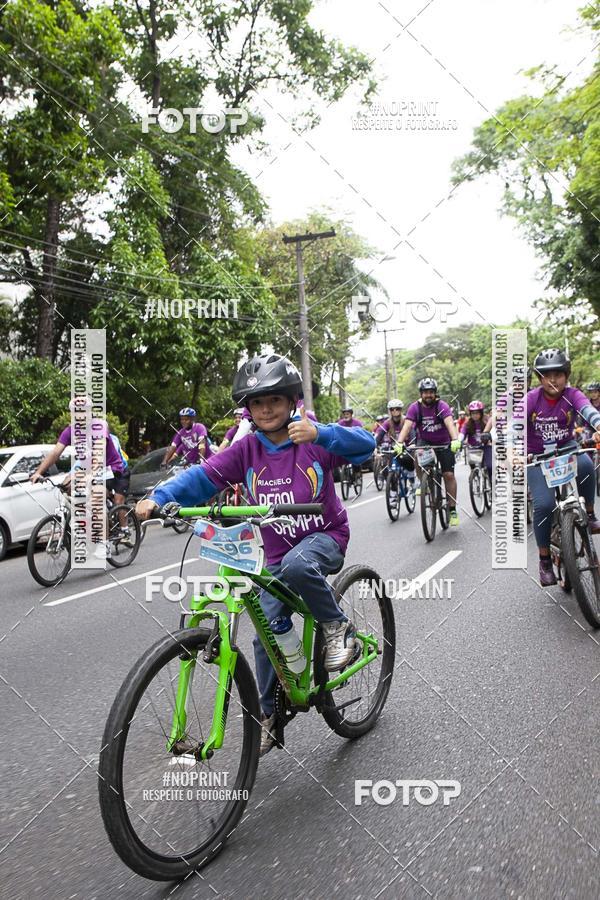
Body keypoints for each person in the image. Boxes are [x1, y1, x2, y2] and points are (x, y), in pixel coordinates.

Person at [136, 353, 375, 755]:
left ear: (292, 402)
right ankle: (271, 715)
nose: (266, 409)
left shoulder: (311, 439)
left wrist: (321, 434)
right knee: (265, 626)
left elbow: (365, 445)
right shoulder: (245, 451)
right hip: (278, 555)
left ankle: (337, 627)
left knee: (301, 565)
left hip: (325, 539)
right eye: (257, 402)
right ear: (248, 409)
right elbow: (202, 477)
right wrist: (159, 497)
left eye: (275, 400)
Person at [525, 349, 600, 586]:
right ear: (539, 379)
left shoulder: (572, 394)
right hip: (536, 456)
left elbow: (588, 410)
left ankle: (589, 513)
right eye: (547, 375)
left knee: (587, 465)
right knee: (544, 504)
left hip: (567, 450)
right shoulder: (531, 399)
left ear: (566, 376)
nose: (553, 380)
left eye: (558, 374)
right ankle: (545, 560)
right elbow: (514, 423)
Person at [30, 399, 128, 557]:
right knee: (66, 487)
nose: (80, 414)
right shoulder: (70, 431)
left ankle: (104, 543)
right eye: (76, 411)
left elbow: (99, 452)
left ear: (90, 412)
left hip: (109, 468)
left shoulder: (99, 426)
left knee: (95, 498)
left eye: (83, 410)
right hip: (87, 467)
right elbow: (55, 453)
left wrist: (89, 475)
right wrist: (38, 472)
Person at [396, 377, 462, 525]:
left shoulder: (441, 406)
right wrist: (399, 442)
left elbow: (450, 424)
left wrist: (455, 439)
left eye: (431, 392)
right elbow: (407, 426)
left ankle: (452, 509)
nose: (428, 395)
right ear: (421, 394)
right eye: (425, 392)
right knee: (416, 455)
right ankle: (423, 482)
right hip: (425, 442)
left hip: (444, 443)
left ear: (435, 393)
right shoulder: (415, 408)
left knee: (448, 474)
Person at [459, 401, 492, 480]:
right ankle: (474, 477)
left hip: (486, 447)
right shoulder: (468, 423)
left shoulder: (487, 421)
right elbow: (462, 433)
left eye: (477, 413)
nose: (475, 415)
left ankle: (491, 484)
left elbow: (493, 432)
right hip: (473, 449)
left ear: (481, 413)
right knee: (473, 467)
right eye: (473, 413)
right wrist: (459, 441)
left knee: (490, 466)